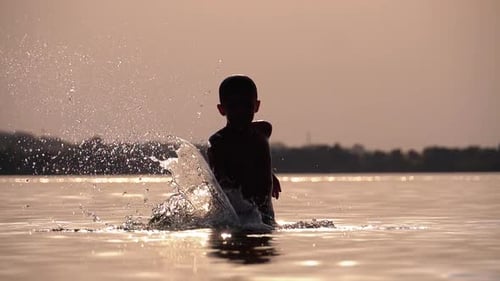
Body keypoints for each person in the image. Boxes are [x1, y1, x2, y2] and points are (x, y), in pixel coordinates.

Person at [207, 75, 281, 226]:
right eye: (233, 107)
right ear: (222, 109)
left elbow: (255, 155)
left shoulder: (263, 131)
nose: (241, 112)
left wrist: (270, 174)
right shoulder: (218, 142)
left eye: (246, 106)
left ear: (257, 106)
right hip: (237, 219)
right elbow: (218, 183)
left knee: (266, 232)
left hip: (265, 219)